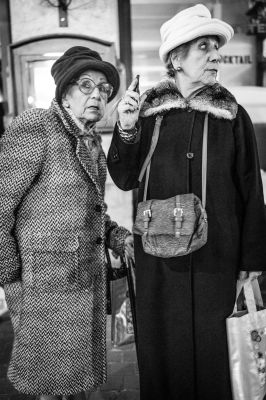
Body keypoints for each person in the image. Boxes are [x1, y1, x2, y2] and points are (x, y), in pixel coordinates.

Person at [107, 4, 266, 400]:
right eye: (204, 47)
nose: (216, 55)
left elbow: (251, 191)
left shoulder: (232, 116)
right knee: (166, 353)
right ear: (176, 58)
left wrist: (251, 261)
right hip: (160, 263)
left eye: (216, 47)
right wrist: (125, 131)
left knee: (217, 354)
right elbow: (124, 178)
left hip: (218, 258)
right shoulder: (147, 114)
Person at [0, 46, 133, 400]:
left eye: (104, 90)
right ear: (65, 92)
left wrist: (119, 238)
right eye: (86, 85)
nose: (97, 95)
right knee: (50, 387)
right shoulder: (37, 126)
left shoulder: (91, 142)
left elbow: (93, 212)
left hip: (83, 282)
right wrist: (12, 279)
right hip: (42, 288)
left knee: (77, 385)